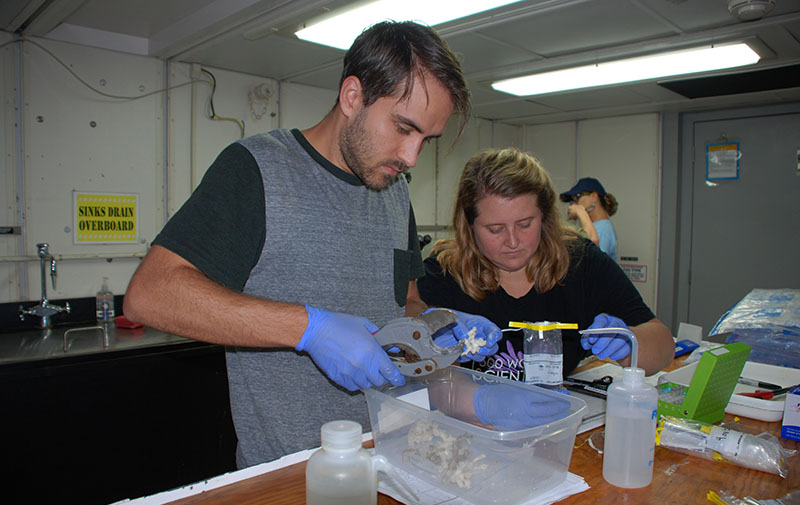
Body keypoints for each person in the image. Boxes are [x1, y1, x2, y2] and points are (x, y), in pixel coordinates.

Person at [123, 21, 503, 468]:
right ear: (352, 97)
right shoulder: (256, 170)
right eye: (403, 128)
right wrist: (309, 328)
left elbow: (404, 303)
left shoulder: (395, 193)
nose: (411, 156)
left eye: (427, 140)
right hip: (287, 476)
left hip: (387, 457)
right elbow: (149, 295)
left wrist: (438, 326)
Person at [417, 148, 674, 385]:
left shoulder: (583, 264)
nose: (513, 241)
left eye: (525, 224)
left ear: (545, 217)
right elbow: (408, 361)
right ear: (469, 225)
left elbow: (662, 345)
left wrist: (630, 343)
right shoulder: (442, 275)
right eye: (495, 229)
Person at [560, 177, 619, 262]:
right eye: (573, 200)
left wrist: (580, 212)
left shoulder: (602, 229)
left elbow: (594, 261)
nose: (575, 203)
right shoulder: (596, 226)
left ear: (594, 197)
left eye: (577, 197)